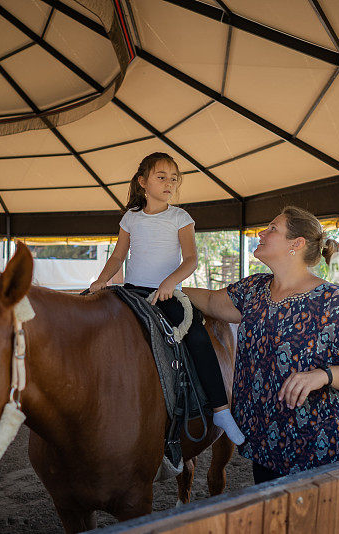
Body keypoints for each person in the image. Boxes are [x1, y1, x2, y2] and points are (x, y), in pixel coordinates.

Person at [184, 206, 339, 484]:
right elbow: (209, 301)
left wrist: (324, 375)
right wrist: (159, 287)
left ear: (297, 244)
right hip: (266, 446)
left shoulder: (333, 301)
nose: (261, 233)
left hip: (321, 449)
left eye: (272, 229)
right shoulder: (254, 290)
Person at [89, 152, 245, 445]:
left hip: (166, 293)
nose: (169, 183)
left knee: (198, 336)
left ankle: (221, 409)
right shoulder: (131, 218)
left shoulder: (179, 217)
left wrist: (169, 283)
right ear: (143, 182)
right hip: (132, 290)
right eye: (161, 177)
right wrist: (102, 280)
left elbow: (190, 260)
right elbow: (119, 255)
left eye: (174, 178)